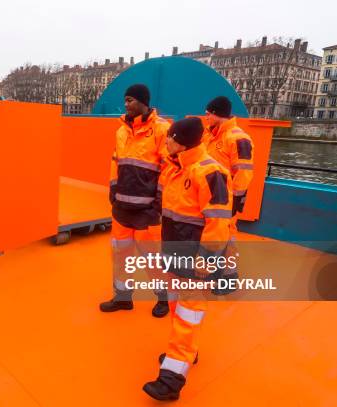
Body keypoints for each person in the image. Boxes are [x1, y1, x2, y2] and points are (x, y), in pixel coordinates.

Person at [143, 117, 232, 401]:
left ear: (180, 141)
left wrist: (206, 262)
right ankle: (182, 354)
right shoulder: (175, 169)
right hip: (174, 256)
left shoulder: (210, 172)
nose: (165, 140)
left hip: (195, 262)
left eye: (170, 136)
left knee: (187, 317)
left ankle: (171, 380)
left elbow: (218, 222)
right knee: (176, 308)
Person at [99, 84, 171, 318]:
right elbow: (114, 162)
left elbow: (169, 167)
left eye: (130, 100)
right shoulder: (121, 131)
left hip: (147, 211)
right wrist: (112, 190)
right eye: (125, 100)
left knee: (153, 258)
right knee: (120, 255)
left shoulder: (162, 129)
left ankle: (163, 298)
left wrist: (159, 201)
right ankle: (122, 298)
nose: (126, 104)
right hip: (122, 209)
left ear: (143, 102)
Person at [204, 96, 254, 293]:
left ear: (217, 113)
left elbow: (244, 171)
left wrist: (235, 199)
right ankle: (216, 272)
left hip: (227, 199)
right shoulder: (210, 136)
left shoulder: (238, 138)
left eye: (208, 113)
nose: (206, 116)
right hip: (210, 198)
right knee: (214, 235)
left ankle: (229, 276)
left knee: (227, 236)